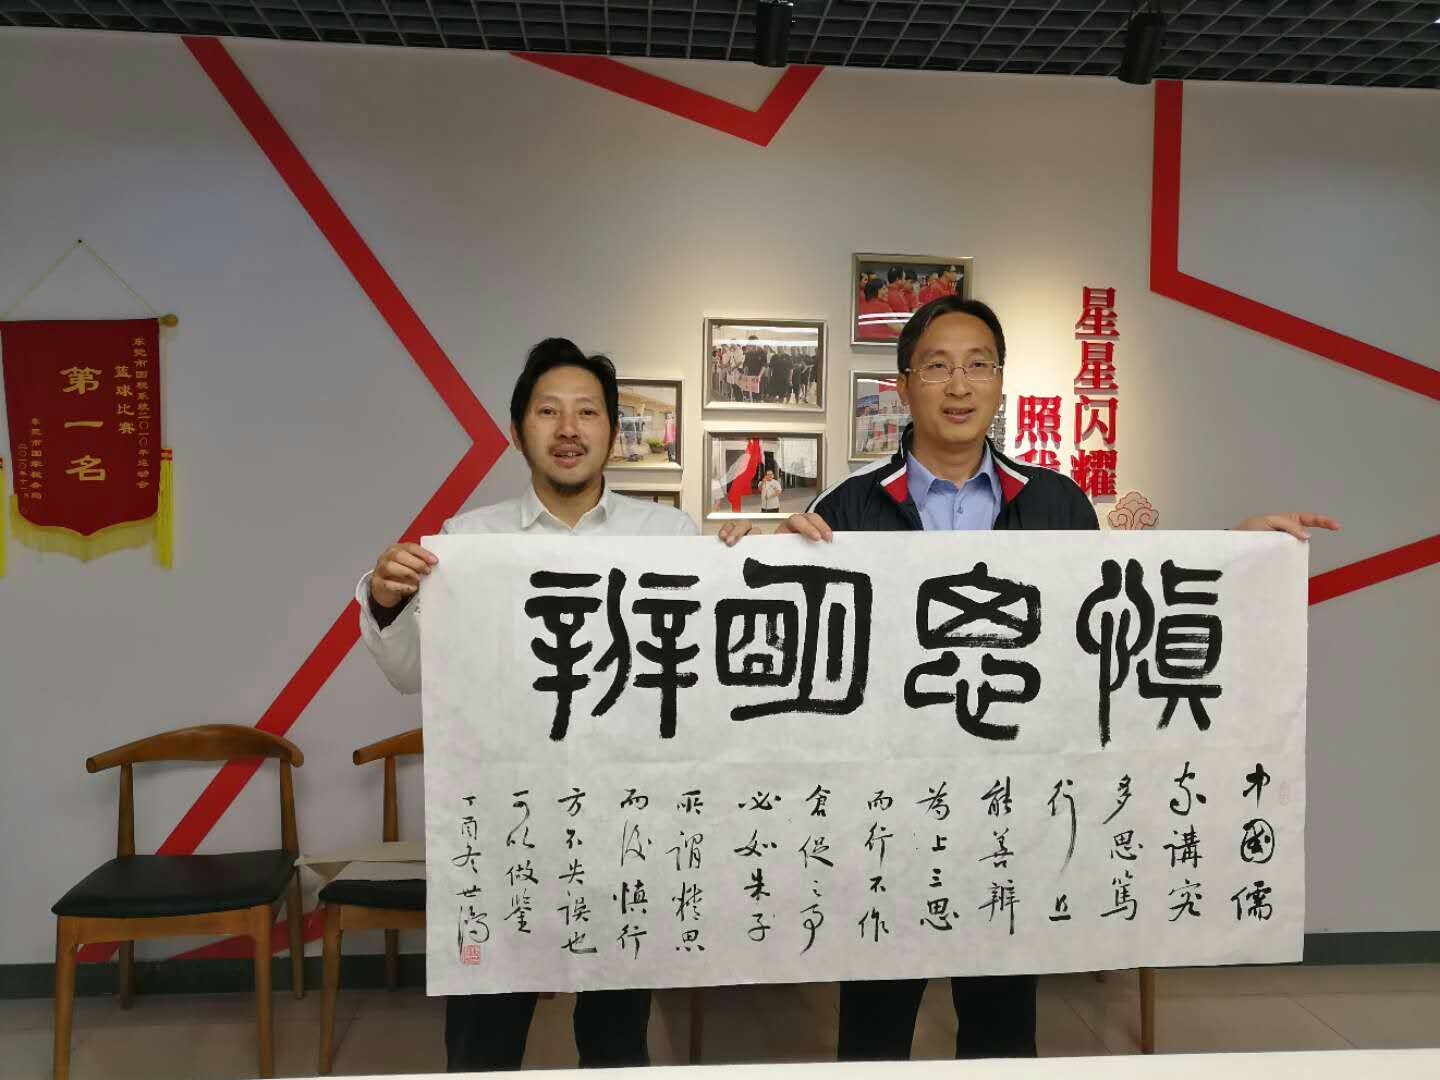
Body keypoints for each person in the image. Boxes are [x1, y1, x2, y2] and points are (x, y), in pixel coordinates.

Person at [776, 295, 1339, 1062]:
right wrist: (762, 549)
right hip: (889, 811)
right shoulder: (847, 507)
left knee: (1003, 1032)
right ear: (903, 387)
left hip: (1014, 808)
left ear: (1001, 382)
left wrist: (1234, 556)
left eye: (978, 364)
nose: (959, 385)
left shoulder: (1055, 501)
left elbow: (1111, 618)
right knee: (874, 1034)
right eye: (936, 367)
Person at [359, 338, 752, 1072]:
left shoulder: (669, 536)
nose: (568, 429)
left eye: (587, 412)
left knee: (616, 1038)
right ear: (519, 431)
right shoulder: (467, 542)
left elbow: (710, 675)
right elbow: (409, 673)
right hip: (505, 826)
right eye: (548, 412)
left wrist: (745, 561)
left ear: (612, 431)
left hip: (626, 823)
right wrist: (385, 600)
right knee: (484, 1039)